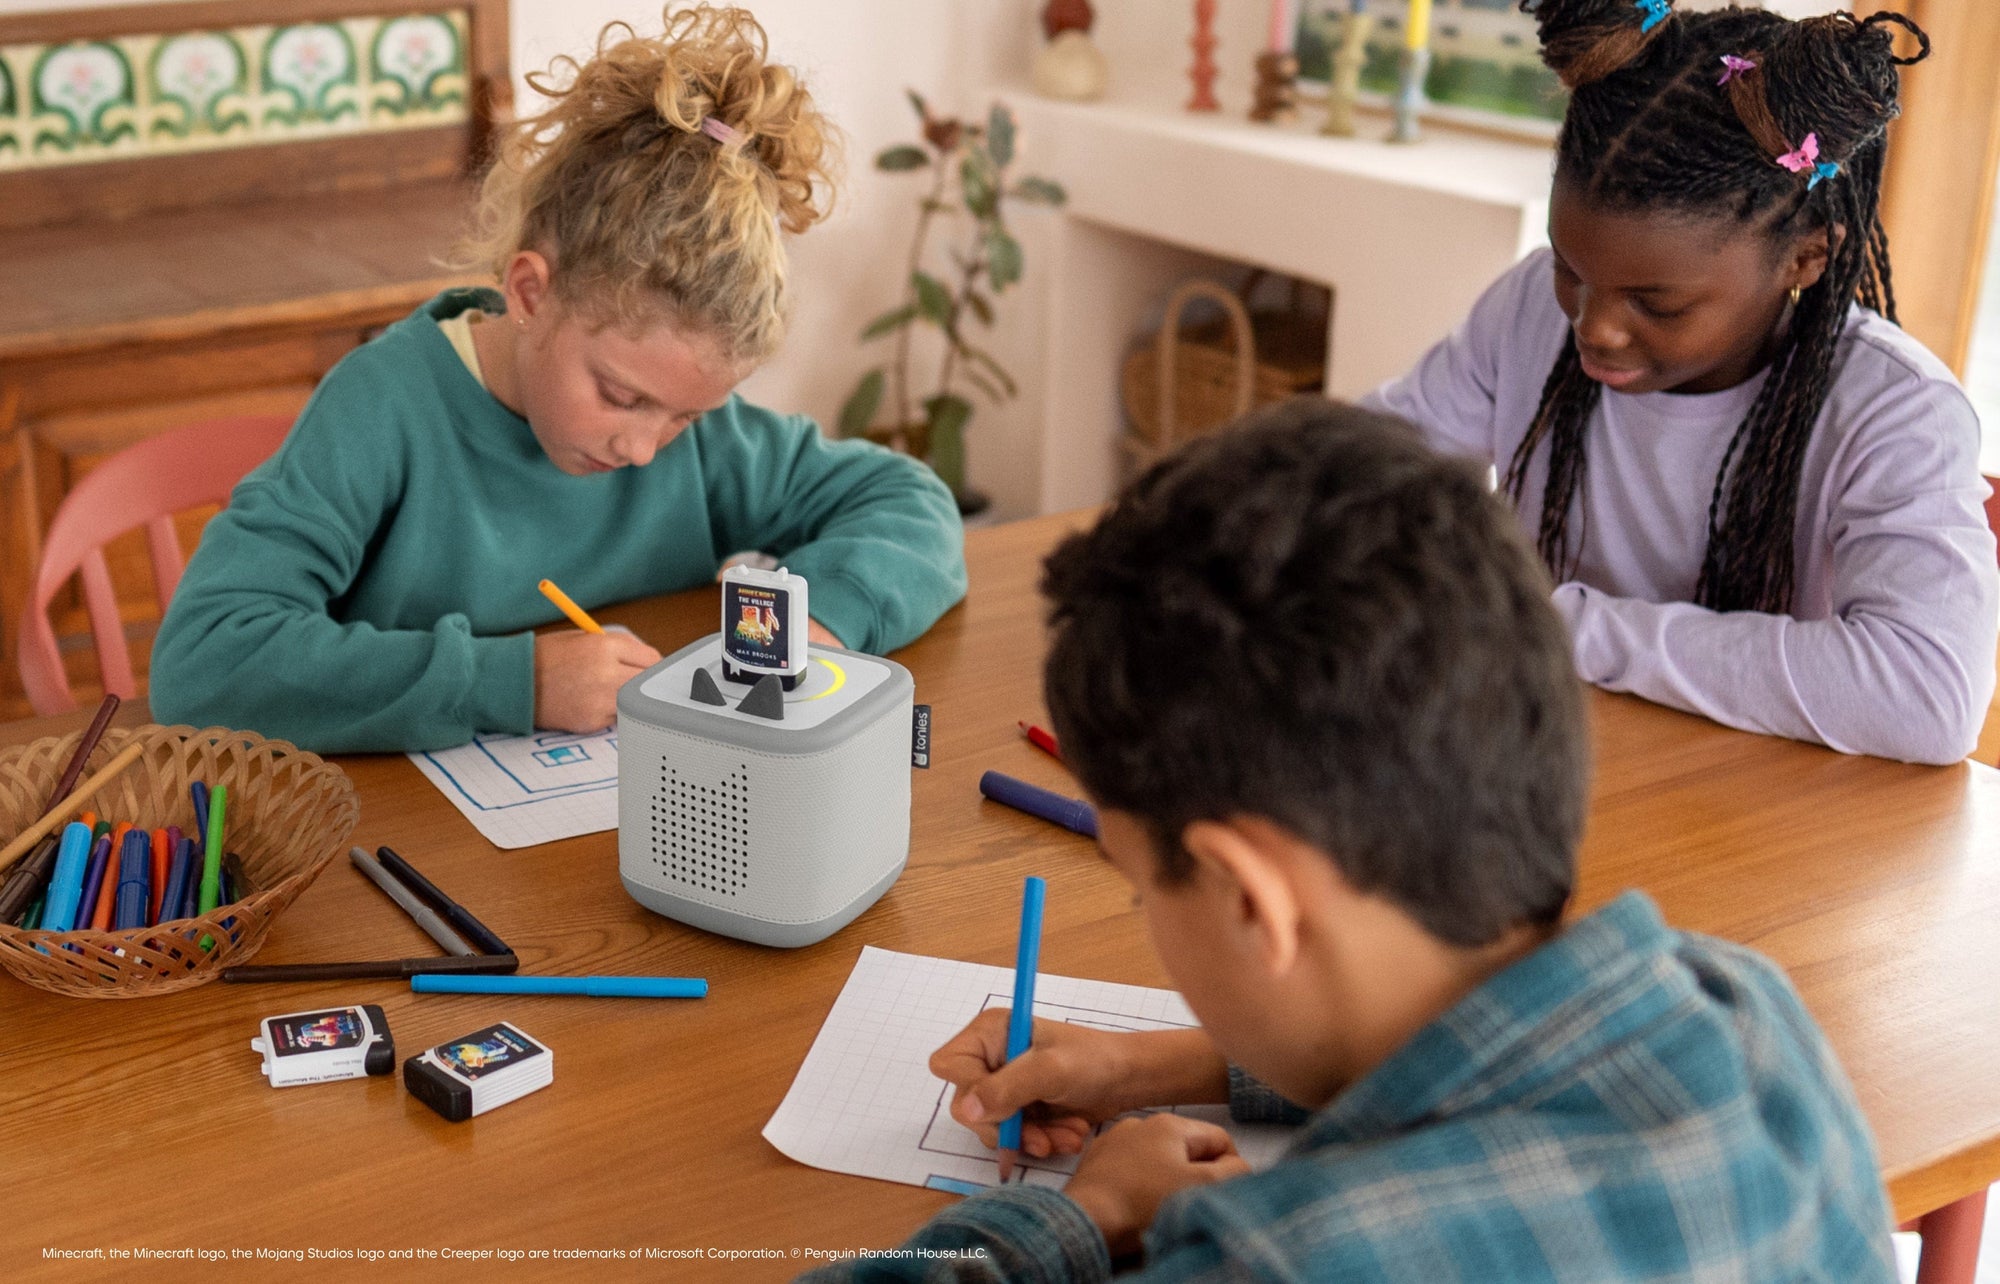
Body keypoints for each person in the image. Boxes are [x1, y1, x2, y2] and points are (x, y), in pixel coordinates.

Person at [803, 399, 1896, 1282]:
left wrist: (1082, 1219)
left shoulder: (1273, 1257)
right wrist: (1159, 1066)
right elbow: (1473, 1050)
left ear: (1248, 899)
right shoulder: (1749, 1014)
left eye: (1142, 894)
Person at [150, 5, 965, 753]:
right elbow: (204, 662)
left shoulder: (699, 436)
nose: (646, 449)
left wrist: (821, 620)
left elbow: (912, 504)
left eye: (683, 417)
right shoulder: (383, 410)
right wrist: (518, 681)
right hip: (411, 848)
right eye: (621, 396)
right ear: (530, 292)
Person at [1362, 0, 1995, 765]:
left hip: (1765, 816)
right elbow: (1373, 472)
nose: (1593, 325)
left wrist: (1553, 625)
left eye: (1656, 303)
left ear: (1806, 258)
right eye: (1571, 268)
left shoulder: (1896, 411)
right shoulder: (1534, 306)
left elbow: (1926, 696)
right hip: (1542, 765)